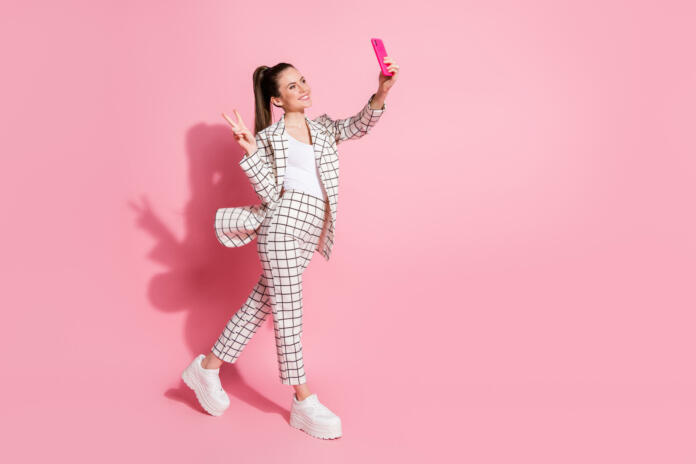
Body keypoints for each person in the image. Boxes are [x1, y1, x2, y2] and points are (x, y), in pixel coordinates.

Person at [182, 57, 399, 439]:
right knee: (289, 310)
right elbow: (268, 194)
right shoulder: (268, 139)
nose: (303, 88)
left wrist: (381, 90)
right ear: (277, 101)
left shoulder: (325, 129)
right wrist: (250, 151)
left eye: (303, 81)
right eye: (292, 87)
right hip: (281, 226)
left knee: (261, 302)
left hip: (310, 229)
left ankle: (208, 367)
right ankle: (303, 399)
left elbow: (360, 125)